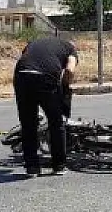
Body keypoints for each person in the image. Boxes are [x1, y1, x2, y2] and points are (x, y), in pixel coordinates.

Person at [12, 36, 79, 176]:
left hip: (22, 75)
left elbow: (26, 57)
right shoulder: (70, 49)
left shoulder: (35, 42)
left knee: (28, 123)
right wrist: (65, 89)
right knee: (56, 122)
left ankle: (32, 168)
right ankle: (59, 166)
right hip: (45, 77)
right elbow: (70, 70)